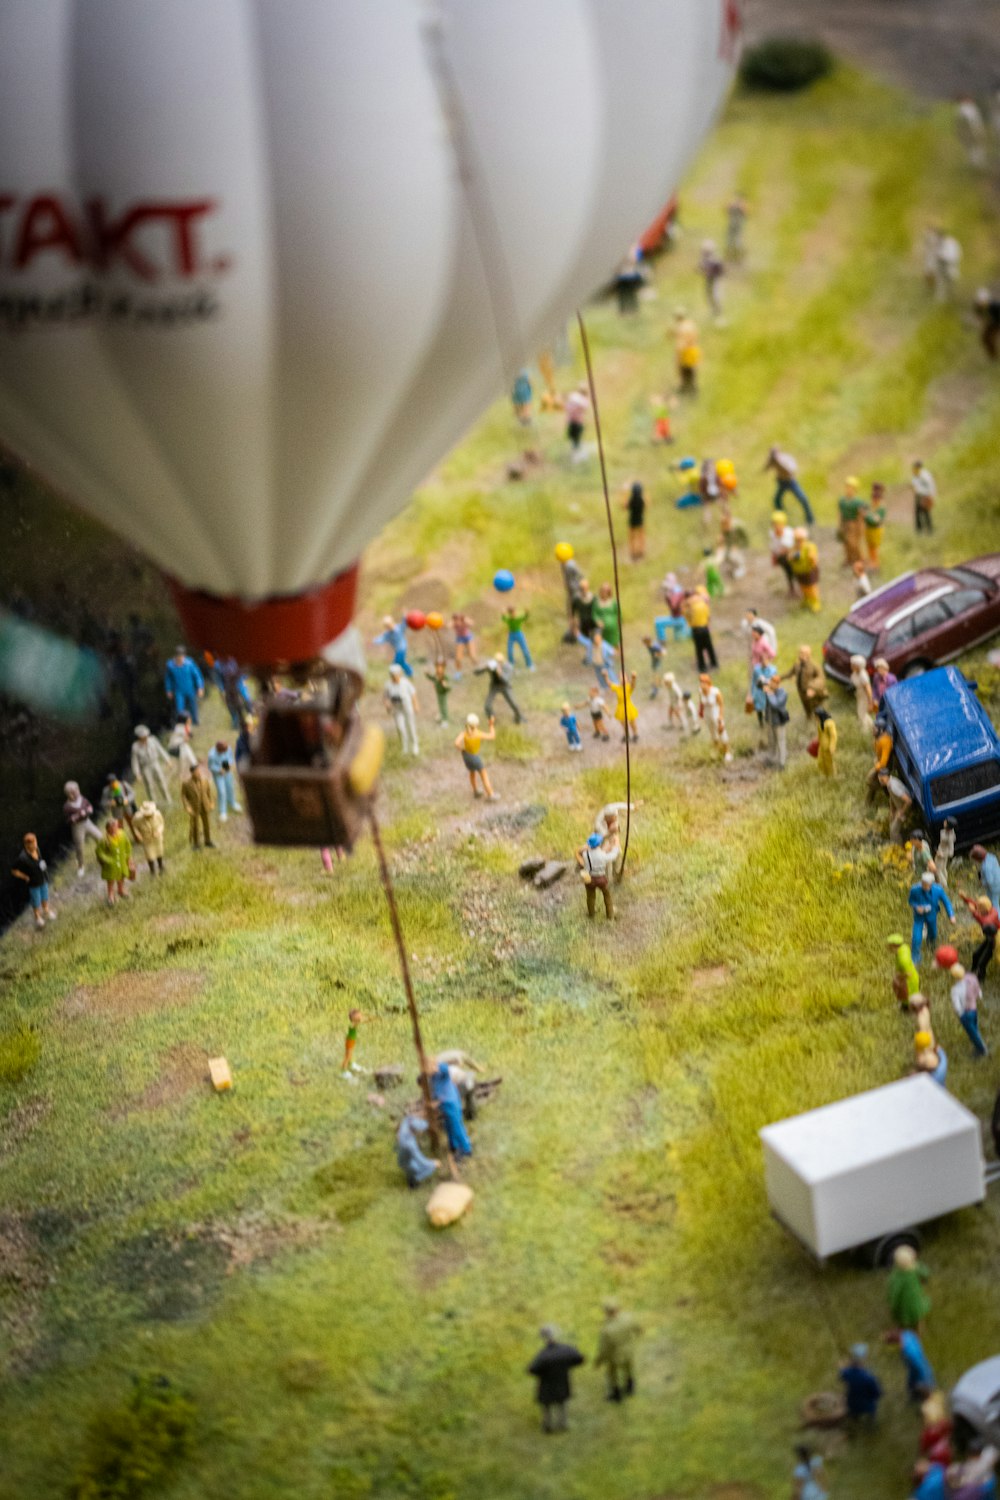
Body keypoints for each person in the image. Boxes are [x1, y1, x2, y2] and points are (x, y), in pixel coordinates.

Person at [527, 1326, 585, 1434]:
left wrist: (541, 1373)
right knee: (562, 1403)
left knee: (546, 1405)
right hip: (562, 1381)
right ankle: (563, 1424)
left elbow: (532, 1369)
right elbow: (580, 1359)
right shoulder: (567, 1350)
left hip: (547, 1383)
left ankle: (547, 1425)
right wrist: (568, 1365)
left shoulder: (543, 1355)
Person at [595, 1299, 641, 1401]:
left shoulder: (606, 1329)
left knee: (612, 1374)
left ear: (607, 1312)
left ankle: (616, 1394)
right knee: (628, 1369)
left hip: (615, 1355)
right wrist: (638, 1333)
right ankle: (630, 1388)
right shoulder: (628, 1318)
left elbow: (604, 1349)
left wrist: (599, 1360)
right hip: (629, 1350)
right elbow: (637, 1328)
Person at [909, 870, 956, 965]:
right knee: (916, 937)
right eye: (923, 883)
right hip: (919, 917)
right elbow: (911, 901)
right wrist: (916, 907)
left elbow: (946, 902)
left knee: (933, 934)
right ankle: (915, 956)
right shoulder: (914, 889)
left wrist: (951, 915)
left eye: (926, 884)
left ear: (931, 884)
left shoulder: (938, 890)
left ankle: (930, 945)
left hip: (932, 915)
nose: (924, 886)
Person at [11, 832, 56, 930]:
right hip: (34, 883)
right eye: (32, 843)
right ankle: (37, 917)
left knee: (45, 896)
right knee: (36, 901)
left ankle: (46, 910)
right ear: (27, 845)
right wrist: (25, 877)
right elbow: (14, 871)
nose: (35, 845)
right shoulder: (22, 858)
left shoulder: (37, 849)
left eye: (35, 842)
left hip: (42, 878)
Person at [430, 1060, 472, 1157]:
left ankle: (466, 1149)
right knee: (448, 1125)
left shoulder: (442, 1072)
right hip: (446, 1103)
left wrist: (435, 1067)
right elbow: (435, 1092)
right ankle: (454, 1145)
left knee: (456, 1126)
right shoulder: (433, 1078)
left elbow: (445, 1069)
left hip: (451, 1102)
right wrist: (434, 1101)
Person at [957, 891, 999, 984]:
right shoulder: (984, 909)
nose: (978, 909)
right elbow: (974, 903)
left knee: (982, 963)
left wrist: (974, 912)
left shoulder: (993, 913)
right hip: (989, 937)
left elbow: (985, 922)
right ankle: (972, 971)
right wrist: (965, 898)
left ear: (986, 908)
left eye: (980, 909)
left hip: (995, 940)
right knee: (976, 954)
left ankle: (980, 979)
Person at [764, 447, 813, 524]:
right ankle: (781, 518)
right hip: (781, 482)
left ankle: (810, 519)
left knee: (803, 498)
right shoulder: (773, 461)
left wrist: (780, 463)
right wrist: (770, 462)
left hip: (791, 482)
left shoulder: (786, 459)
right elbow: (766, 468)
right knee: (777, 500)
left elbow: (791, 470)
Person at [63, 780, 102, 878]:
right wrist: (76, 817)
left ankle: (101, 857)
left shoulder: (82, 799)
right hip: (77, 827)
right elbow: (68, 820)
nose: (76, 792)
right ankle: (81, 866)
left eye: (76, 789)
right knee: (79, 848)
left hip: (87, 823)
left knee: (100, 837)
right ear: (69, 794)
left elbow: (89, 806)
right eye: (73, 791)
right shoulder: (67, 806)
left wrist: (89, 810)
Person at [576, 831, 619, 920]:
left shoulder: (585, 854)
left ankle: (591, 913)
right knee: (607, 895)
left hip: (589, 878)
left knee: (590, 897)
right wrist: (616, 846)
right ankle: (610, 915)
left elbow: (580, 852)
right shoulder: (602, 855)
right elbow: (613, 855)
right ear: (599, 844)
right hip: (601, 879)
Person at [888, 1244, 931, 1331]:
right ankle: (920, 1327)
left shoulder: (896, 1275)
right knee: (917, 1313)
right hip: (915, 1300)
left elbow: (894, 1291)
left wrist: (892, 1303)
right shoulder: (916, 1269)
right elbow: (926, 1273)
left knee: (901, 1315)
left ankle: (900, 1326)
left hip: (902, 1304)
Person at [455, 713, 497, 800]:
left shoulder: (464, 733)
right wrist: (491, 725)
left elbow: (456, 743)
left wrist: (462, 749)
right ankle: (490, 794)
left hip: (466, 756)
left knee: (472, 773)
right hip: (475, 757)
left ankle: (475, 791)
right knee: (484, 775)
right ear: (477, 724)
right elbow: (492, 736)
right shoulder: (478, 734)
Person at [950, 963, 988, 1057]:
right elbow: (979, 992)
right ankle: (979, 1039)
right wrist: (978, 997)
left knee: (972, 1032)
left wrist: (960, 1014)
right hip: (974, 1009)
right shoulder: (972, 977)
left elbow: (957, 1005)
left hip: (965, 1013)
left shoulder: (955, 989)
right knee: (974, 1026)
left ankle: (981, 1049)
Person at [838, 1343, 882, 1422]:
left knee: (854, 1415)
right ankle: (871, 1421)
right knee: (871, 1413)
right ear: (863, 1360)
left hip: (852, 1403)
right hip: (868, 1405)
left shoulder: (847, 1373)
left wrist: (842, 1368)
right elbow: (877, 1394)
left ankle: (855, 1419)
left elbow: (841, 1377)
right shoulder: (869, 1378)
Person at [130, 725, 173, 806]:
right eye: (143, 736)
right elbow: (134, 761)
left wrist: (167, 760)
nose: (145, 737)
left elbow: (160, 750)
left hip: (155, 762)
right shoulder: (135, 747)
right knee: (149, 786)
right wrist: (137, 773)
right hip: (145, 767)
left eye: (146, 735)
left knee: (161, 781)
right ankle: (154, 804)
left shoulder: (153, 740)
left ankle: (168, 800)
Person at [95, 818, 133, 907]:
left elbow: (128, 846)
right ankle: (110, 895)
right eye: (113, 827)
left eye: (116, 826)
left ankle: (121, 890)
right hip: (111, 865)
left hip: (122, 861)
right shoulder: (104, 840)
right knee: (111, 880)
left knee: (121, 877)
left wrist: (129, 857)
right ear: (108, 829)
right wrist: (107, 860)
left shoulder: (122, 834)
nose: (115, 829)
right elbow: (99, 852)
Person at [180, 760, 217, 851]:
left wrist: (211, 803)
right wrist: (187, 807)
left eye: (199, 771)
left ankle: (207, 840)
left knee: (206, 824)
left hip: (204, 805)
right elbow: (183, 796)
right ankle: (196, 843)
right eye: (197, 771)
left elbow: (209, 793)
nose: (199, 773)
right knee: (195, 825)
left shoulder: (205, 781)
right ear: (192, 773)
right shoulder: (186, 784)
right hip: (194, 807)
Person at [163, 645, 205, 724]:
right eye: (178, 657)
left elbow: (197, 675)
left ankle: (195, 721)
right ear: (175, 656)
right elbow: (168, 679)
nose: (180, 659)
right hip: (178, 690)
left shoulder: (189, 663)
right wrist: (168, 690)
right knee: (180, 708)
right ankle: (182, 723)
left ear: (184, 656)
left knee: (193, 706)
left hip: (190, 689)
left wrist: (200, 687)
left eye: (182, 657)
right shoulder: (170, 665)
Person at [384, 666, 420, 756]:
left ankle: (415, 744)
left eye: (396, 674)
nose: (394, 677)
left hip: (406, 705)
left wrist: (415, 705)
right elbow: (385, 696)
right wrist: (387, 705)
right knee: (400, 727)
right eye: (392, 675)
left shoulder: (405, 682)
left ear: (400, 674)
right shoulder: (388, 684)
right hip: (396, 707)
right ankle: (405, 747)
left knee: (410, 725)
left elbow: (413, 693)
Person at [784, 644, 827, 719]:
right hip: (802, 691)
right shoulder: (797, 665)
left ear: (809, 655)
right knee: (806, 706)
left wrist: (812, 688)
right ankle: (809, 716)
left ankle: (820, 720)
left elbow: (821, 678)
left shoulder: (814, 666)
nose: (802, 655)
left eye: (805, 653)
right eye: (801, 653)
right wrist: (779, 678)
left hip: (813, 692)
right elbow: (789, 673)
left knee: (817, 707)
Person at [395, 1114, 438, 1188]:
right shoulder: (410, 1144)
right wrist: (434, 1163)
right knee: (429, 1168)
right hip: (407, 1163)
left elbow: (410, 1118)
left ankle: (410, 1178)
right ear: (416, 1130)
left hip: (402, 1158)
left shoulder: (407, 1122)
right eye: (421, 1131)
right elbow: (421, 1161)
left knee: (410, 1166)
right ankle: (414, 1181)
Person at [475, 656, 522, 724]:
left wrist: (500, 673)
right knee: (487, 705)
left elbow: (505, 680)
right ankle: (492, 719)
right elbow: (476, 673)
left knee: (514, 704)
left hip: (505, 686)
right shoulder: (491, 665)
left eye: (499, 663)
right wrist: (484, 667)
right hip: (494, 686)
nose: (497, 664)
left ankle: (518, 718)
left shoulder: (508, 667)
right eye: (496, 662)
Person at [698, 675, 732, 763]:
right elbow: (701, 702)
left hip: (715, 713)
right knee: (713, 733)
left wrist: (720, 716)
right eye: (700, 682)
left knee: (722, 732)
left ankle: (727, 752)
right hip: (707, 714)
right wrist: (701, 711)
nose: (701, 684)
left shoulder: (715, 692)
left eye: (703, 682)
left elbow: (721, 704)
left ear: (708, 683)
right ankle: (716, 749)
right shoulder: (701, 691)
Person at [683, 588, 718, 673]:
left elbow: (686, 616)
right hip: (705, 628)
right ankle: (714, 664)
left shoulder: (689, 606)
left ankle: (702, 667)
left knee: (699, 649)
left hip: (696, 629)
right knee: (709, 647)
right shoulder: (703, 604)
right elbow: (708, 616)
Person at [600, 669, 639, 742]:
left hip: (629, 706)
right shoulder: (618, 688)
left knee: (632, 722)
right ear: (619, 679)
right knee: (623, 723)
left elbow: (633, 685)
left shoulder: (628, 687)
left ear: (627, 679)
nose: (622, 678)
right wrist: (606, 676)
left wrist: (633, 678)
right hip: (621, 707)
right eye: (621, 677)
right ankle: (626, 735)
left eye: (624, 677)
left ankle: (635, 734)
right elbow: (609, 683)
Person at [207, 740, 242, 820]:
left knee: (230, 787)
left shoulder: (228, 749)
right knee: (222, 792)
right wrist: (219, 770)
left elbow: (230, 758)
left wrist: (230, 763)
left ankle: (233, 803)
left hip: (227, 771)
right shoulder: (212, 755)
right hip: (218, 774)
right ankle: (223, 811)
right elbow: (210, 766)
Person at [762, 672, 790, 769]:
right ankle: (772, 758)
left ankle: (782, 762)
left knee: (780, 741)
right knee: (771, 740)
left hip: (779, 721)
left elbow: (775, 704)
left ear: (777, 684)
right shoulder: (770, 691)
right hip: (770, 720)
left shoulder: (783, 693)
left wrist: (769, 694)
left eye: (772, 683)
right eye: (770, 682)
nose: (770, 685)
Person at [837, 476, 867, 566]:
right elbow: (840, 513)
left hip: (853, 524)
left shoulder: (858, 502)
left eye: (851, 488)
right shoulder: (842, 500)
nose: (848, 490)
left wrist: (861, 526)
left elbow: (861, 515)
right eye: (847, 487)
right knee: (846, 543)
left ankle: (859, 559)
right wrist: (839, 524)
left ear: (855, 489)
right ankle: (849, 559)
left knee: (854, 543)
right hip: (844, 523)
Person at [131, 800, 166, 877]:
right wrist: (138, 835)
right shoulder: (137, 818)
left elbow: (161, 824)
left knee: (159, 852)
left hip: (157, 838)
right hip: (147, 839)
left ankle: (161, 866)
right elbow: (134, 827)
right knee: (150, 855)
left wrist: (159, 831)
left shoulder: (158, 814)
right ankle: (152, 870)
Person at [789, 528, 821, 612]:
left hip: (809, 571)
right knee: (803, 587)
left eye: (800, 539)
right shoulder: (794, 548)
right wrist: (793, 556)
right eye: (796, 540)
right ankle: (806, 599)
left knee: (811, 587)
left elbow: (813, 558)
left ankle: (815, 602)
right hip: (799, 572)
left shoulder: (809, 547)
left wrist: (812, 559)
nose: (798, 542)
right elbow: (789, 557)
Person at [880, 770, 914, 845]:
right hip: (899, 807)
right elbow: (891, 798)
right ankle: (895, 841)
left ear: (885, 777)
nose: (880, 781)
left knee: (893, 831)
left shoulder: (893, 786)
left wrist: (901, 812)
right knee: (891, 822)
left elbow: (908, 801)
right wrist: (892, 811)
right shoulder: (889, 784)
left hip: (905, 809)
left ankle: (898, 847)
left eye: (881, 779)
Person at [888, 932, 921, 1004]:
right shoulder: (905, 947)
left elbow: (908, 974)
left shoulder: (903, 960)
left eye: (889, 946)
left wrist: (898, 976)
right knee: (912, 993)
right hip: (913, 973)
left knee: (907, 994)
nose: (888, 948)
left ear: (894, 946)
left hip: (908, 980)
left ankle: (909, 1007)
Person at [769, 510, 797, 596]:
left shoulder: (788, 534)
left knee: (795, 572)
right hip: (782, 558)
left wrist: (779, 554)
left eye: (778, 524)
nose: (776, 527)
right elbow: (774, 546)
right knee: (788, 573)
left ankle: (799, 587)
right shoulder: (773, 534)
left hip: (791, 557)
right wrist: (774, 555)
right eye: (774, 524)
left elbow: (788, 547)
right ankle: (792, 588)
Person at [956, 95, 988, 166]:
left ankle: (979, 163)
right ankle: (975, 164)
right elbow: (963, 122)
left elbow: (977, 121)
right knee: (973, 148)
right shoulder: (963, 109)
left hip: (976, 129)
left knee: (979, 146)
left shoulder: (972, 107)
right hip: (971, 131)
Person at [867, 716, 894, 799]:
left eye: (875, 729)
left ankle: (869, 801)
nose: (873, 730)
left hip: (885, 765)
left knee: (873, 780)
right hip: (880, 762)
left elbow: (884, 762)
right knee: (882, 784)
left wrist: (875, 768)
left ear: (881, 730)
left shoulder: (885, 741)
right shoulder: (879, 737)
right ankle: (889, 797)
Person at [698, 238, 725, 319]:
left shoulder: (715, 259)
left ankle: (719, 313)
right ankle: (713, 311)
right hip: (709, 280)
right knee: (708, 296)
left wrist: (710, 272)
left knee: (715, 296)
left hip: (715, 280)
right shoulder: (705, 259)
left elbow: (720, 270)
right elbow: (701, 267)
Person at [501, 603, 533, 669]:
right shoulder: (508, 619)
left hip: (519, 634)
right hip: (511, 635)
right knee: (509, 651)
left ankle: (530, 664)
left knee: (525, 650)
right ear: (509, 614)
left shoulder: (518, 618)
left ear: (515, 612)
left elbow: (525, 617)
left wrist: (527, 612)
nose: (513, 614)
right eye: (511, 613)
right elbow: (503, 619)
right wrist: (503, 613)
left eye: (513, 612)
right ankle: (511, 664)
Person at [168, 714, 198, 782]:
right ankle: (181, 776)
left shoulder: (187, 726)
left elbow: (189, 736)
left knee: (192, 760)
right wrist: (184, 739)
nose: (190, 719)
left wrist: (188, 737)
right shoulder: (179, 728)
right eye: (188, 718)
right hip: (179, 747)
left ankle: (194, 772)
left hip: (184, 746)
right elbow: (174, 741)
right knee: (183, 763)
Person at [849, 655, 874, 735]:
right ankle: (872, 726)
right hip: (859, 695)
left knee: (861, 713)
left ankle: (865, 731)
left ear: (858, 666)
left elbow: (868, 689)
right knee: (861, 712)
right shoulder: (856, 673)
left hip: (864, 696)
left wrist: (870, 702)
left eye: (853, 664)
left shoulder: (863, 675)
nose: (851, 666)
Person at [864, 482, 887, 569]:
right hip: (869, 529)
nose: (874, 500)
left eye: (876, 499)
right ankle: (871, 561)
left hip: (876, 530)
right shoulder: (871, 506)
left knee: (874, 547)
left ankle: (876, 563)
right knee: (869, 546)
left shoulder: (881, 508)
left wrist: (867, 515)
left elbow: (875, 520)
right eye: (873, 498)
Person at [340, 1007, 368, 1080]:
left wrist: (362, 1019)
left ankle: (351, 1064)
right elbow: (355, 1024)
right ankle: (343, 1071)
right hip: (349, 1041)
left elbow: (361, 1020)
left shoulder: (356, 1022)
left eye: (360, 1015)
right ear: (353, 1018)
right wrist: (361, 1020)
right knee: (347, 1056)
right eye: (358, 1016)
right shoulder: (352, 1024)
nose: (360, 1017)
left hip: (352, 1041)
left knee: (350, 1054)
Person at [564, 384, 589, 461]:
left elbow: (567, 407)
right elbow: (584, 407)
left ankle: (576, 454)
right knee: (575, 438)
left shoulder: (575, 398)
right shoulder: (580, 400)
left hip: (574, 421)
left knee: (575, 438)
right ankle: (576, 454)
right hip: (576, 422)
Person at [622, 481, 646, 561]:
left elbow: (624, 507)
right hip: (640, 520)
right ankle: (641, 551)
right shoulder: (641, 500)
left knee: (632, 538)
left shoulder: (631, 500)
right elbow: (646, 506)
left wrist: (624, 494)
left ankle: (633, 552)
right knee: (641, 537)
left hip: (632, 521)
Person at [974, 287, 1000, 359]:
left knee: (990, 338)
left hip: (997, 322)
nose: (981, 303)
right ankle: (993, 356)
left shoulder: (995, 306)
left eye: (983, 301)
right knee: (985, 338)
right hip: (993, 323)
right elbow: (980, 318)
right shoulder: (979, 308)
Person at [425, 659, 453, 725]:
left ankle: (445, 719)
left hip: (443, 693)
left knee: (444, 706)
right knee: (440, 706)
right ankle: (441, 715)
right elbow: (432, 678)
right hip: (438, 693)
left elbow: (450, 688)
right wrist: (427, 674)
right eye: (437, 667)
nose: (439, 669)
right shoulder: (436, 675)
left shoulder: (445, 677)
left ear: (443, 668)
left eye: (440, 668)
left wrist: (445, 686)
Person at [912, 460, 937, 533]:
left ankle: (929, 529)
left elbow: (931, 486)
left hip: (925, 496)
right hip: (919, 495)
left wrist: (930, 496)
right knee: (917, 513)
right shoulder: (915, 473)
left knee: (926, 513)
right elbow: (915, 483)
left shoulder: (925, 475)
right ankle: (919, 530)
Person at [725, 193, 747, 261]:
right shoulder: (733, 205)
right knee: (731, 240)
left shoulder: (740, 206)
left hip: (736, 225)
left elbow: (745, 212)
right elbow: (727, 210)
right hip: (733, 225)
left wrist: (738, 206)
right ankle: (731, 256)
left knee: (737, 241)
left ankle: (737, 257)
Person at [815, 707, 837, 776]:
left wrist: (832, 746)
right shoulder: (819, 724)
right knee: (820, 762)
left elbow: (833, 736)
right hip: (822, 747)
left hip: (828, 747)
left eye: (817, 716)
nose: (816, 718)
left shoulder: (829, 723)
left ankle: (832, 776)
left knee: (829, 762)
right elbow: (819, 735)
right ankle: (825, 775)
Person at [935, 819, 957, 887]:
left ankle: (944, 885)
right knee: (943, 868)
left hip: (942, 853)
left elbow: (951, 852)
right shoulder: (947, 831)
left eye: (946, 822)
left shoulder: (950, 836)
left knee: (938, 870)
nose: (944, 821)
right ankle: (944, 881)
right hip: (941, 849)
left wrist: (942, 854)